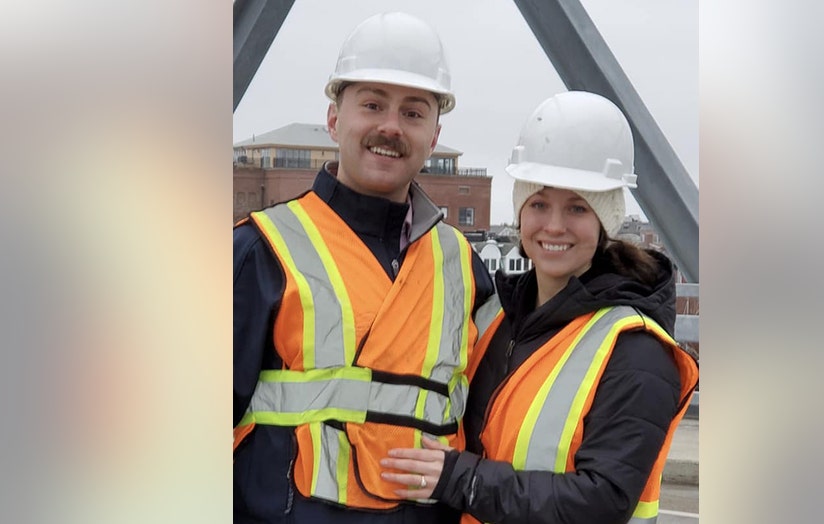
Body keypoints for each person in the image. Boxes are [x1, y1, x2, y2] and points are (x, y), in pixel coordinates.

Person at [379, 91, 699, 524]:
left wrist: (464, 480)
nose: (554, 225)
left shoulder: (635, 352)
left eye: (577, 208)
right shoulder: (495, 318)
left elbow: (602, 500)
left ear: (605, 221)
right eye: (539, 204)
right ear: (520, 214)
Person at [233, 12, 495, 524]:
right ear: (334, 119)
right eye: (372, 104)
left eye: (413, 113)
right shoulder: (259, 250)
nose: (390, 127)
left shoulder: (463, 265)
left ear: (435, 135)